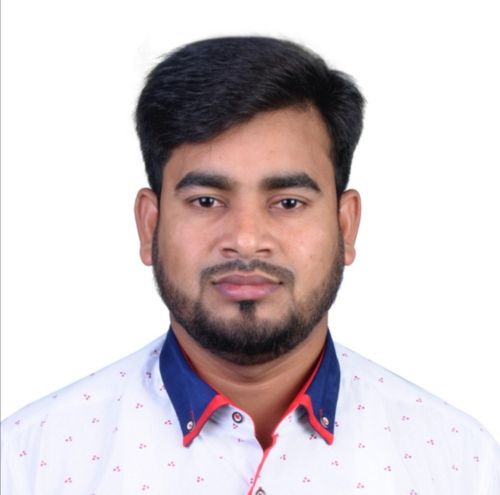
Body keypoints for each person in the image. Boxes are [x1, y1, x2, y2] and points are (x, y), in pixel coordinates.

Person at [1, 36, 498, 495]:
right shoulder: (31, 460)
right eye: (206, 201)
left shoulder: (458, 460)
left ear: (346, 226)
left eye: (288, 203)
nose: (245, 240)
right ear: (150, 225)